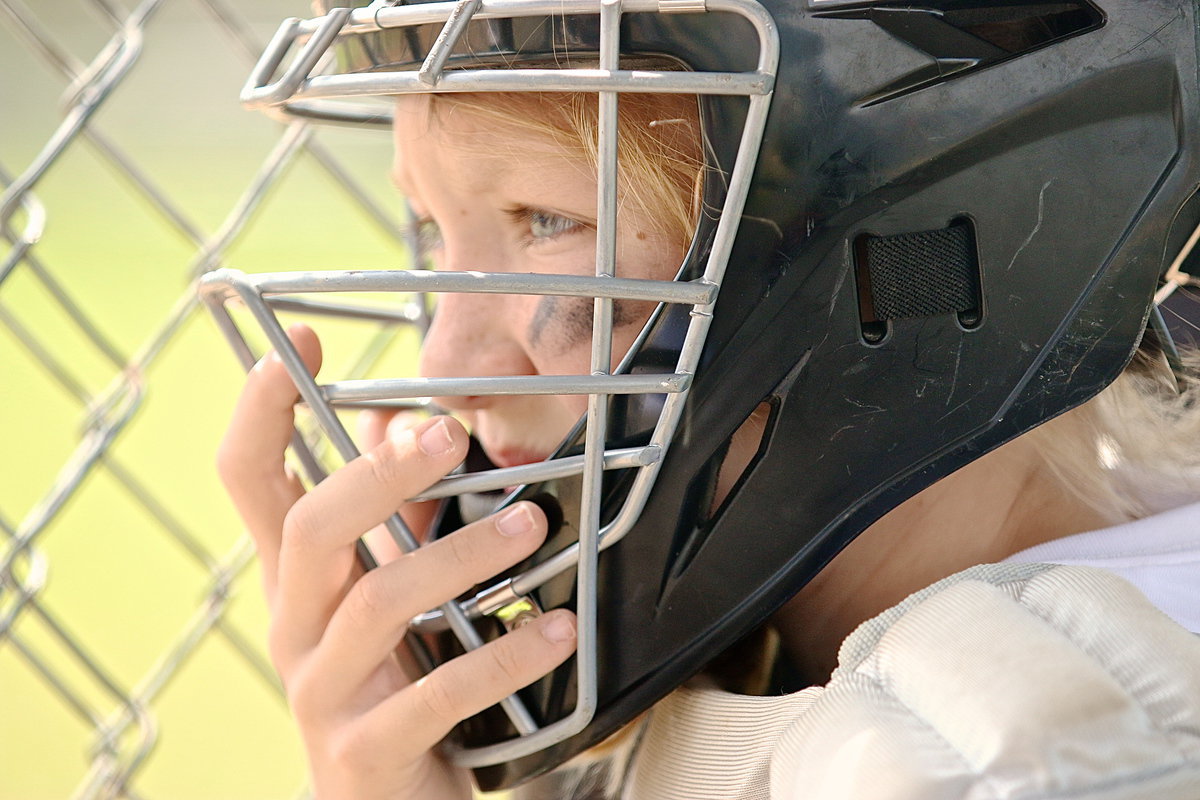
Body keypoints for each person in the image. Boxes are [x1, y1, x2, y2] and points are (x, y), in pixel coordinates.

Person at [208, 0, 1200, 797]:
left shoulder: (1045, 738)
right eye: (433, 226)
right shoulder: (788, 680)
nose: (447, 366)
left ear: (892, 234)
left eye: (547, 221)